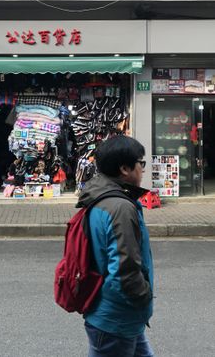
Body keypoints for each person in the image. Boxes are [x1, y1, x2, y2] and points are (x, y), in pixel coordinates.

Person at [77, 135, 154, 357]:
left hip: (118, 316)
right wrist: (144, 297)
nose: (143, 169)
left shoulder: (100, 198)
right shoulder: (120, 207)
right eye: (141, 163)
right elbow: (124, 270)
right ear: (124, 168)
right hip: (117, 318)